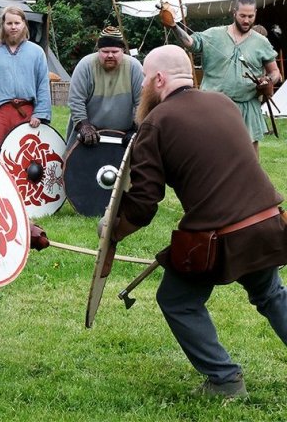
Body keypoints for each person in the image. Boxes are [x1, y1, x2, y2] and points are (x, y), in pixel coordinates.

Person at [111, 45, 287, 398]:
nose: (143, 85)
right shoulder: (223, 102)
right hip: (269, 223)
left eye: (145, 78)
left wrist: (111, 233)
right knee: (270, 293)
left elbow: (143, 205)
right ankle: (224, 379)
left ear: (159, 79)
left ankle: (224, 380)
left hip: (222, 238)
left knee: (177, 300)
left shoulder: (156, 124)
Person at [161, 0, 281, 157]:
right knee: (213, 154)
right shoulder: (214, 34)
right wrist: (174, 26)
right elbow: (190, 43)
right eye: (242, 16)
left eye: (250, 16)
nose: (246, 20)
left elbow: (275, 73)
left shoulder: (261, 42)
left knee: (248, 157)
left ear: (255, 15)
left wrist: (268, 80)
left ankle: (247, 183)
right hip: (214, 106)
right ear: (234, 13)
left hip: (247, 107)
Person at [0, 6, 52, 153]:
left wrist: (40, 113)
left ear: (24, 25)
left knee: (26, 157)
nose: (13, 27)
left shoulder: (37, 52)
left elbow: (43, 85)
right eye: (9, 23)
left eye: (17, 23)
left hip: (27, 114)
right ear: (3, 25)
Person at [65, 26, 143, 149]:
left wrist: (136, 129)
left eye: (115, 52)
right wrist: (84, 126)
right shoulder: (85, 65)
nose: (110, 55)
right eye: (105, 52)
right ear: (98, 51)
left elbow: (142, 103)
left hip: (124, 136)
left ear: (123, 51)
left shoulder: (134, 67)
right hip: (90, 134)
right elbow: (76, 100)